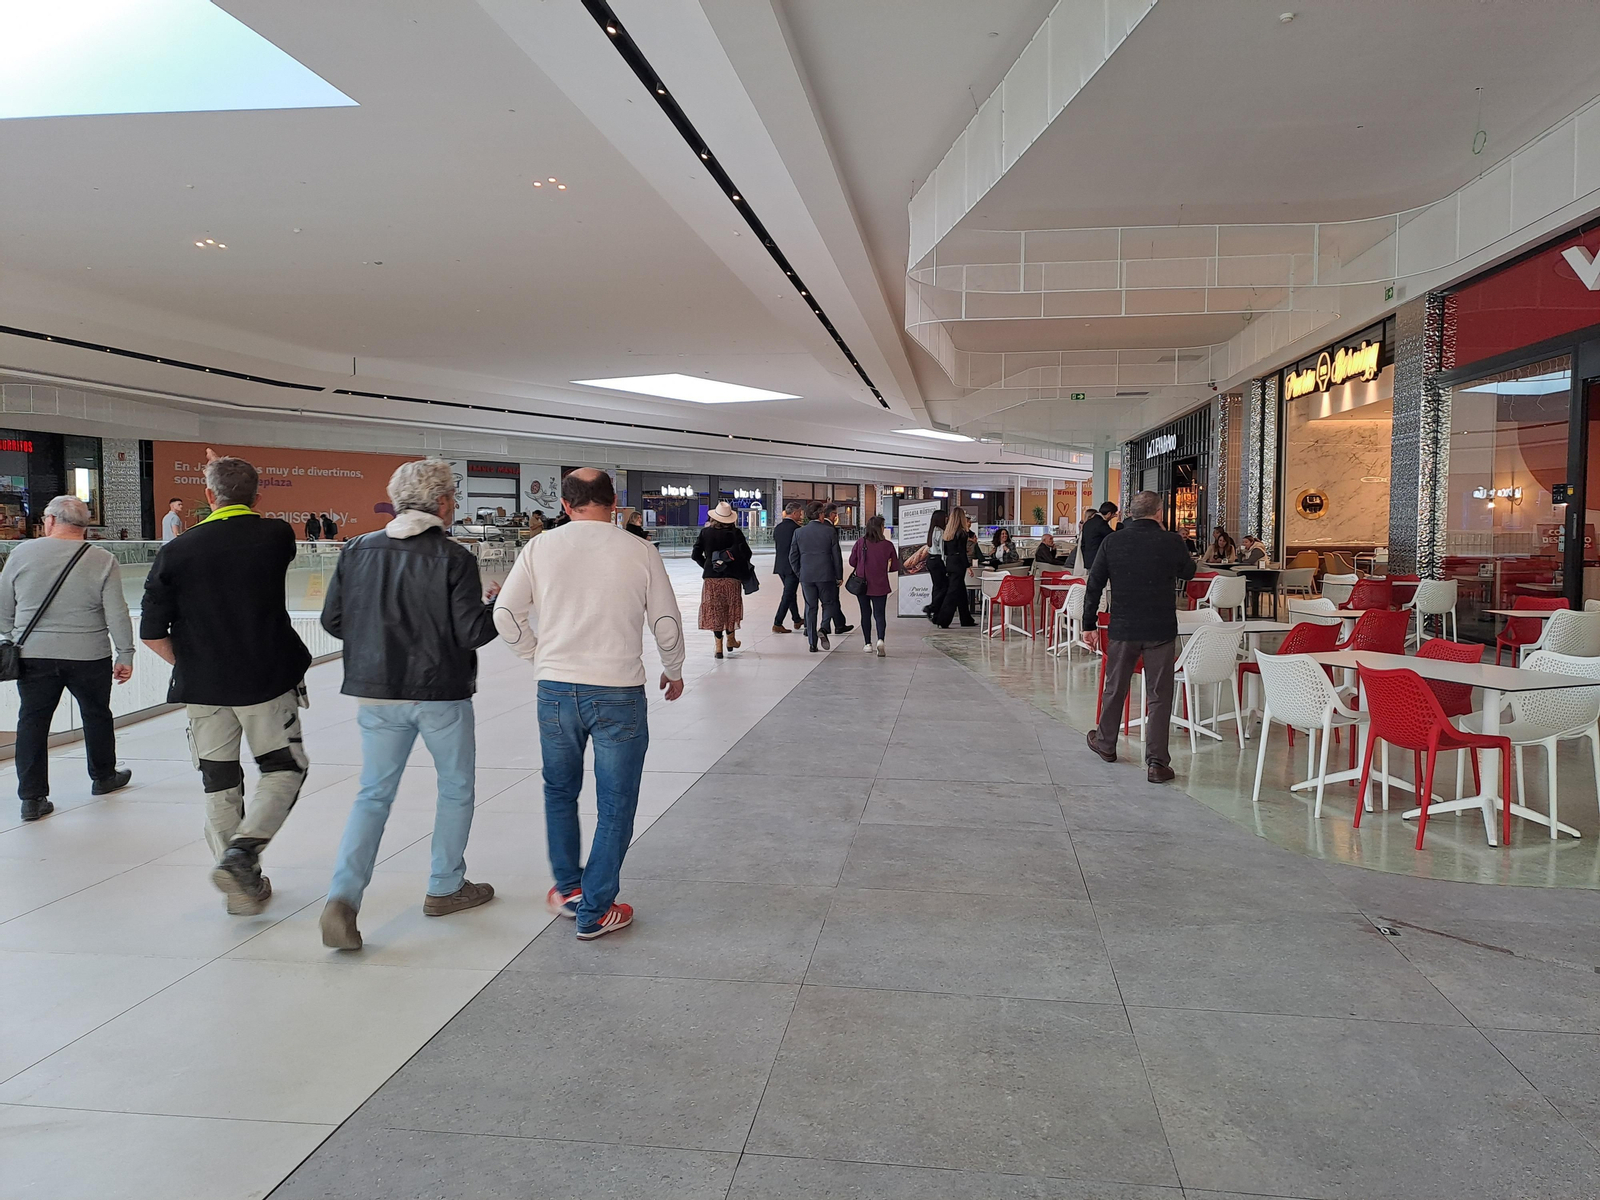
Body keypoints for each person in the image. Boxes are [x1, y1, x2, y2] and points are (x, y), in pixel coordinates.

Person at [316, 460, 501, 951]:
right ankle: (445, 885)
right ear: (441, 504)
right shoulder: (452, 557)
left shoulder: (356, 549)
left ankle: (343, 897)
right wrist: (495, 607)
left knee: (373, 794)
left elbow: (333, 620)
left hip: (376, 691)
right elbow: (472, 632)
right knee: (456, 787)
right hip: (440, 693)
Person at [494, 468, 685, 941]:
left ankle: (569, 890)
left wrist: (535, 654)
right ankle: (597, 909)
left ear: (565, 504)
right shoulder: (639, 550)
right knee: (616, 803)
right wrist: (674, 668)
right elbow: (665, 619)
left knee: (560, 790)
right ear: (613, 500)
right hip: (618, 690)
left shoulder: (539, 547)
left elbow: (505, 614)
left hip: (556, 689)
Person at [140, 455, 312, 915]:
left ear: (208, 497)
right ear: (258, 497)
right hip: (266, 683)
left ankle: (242, 884)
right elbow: (246, 518)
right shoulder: (275, 536)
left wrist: (198, 664)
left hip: (203, 689)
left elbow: (153, 632)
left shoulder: (175, 551)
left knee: (219, 782)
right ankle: (241, 855)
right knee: (283, 770)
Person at [0, 496, 134, 821]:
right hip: (90, 655)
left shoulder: (22, 553)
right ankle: (104, 777)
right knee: (96, 714)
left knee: (32, 722)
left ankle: (32, 799)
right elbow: (117, 612)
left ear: (48, 520)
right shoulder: (102, 559)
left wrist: (7, 638)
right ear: (85, 525)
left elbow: (4, 605)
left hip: (34, 655)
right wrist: (125, 652)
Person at [1082, 490, 1197, 784]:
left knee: (1115, 687)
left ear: (1130, 513)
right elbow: (1189, 572)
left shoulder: (1113, 541)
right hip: (1160, 628)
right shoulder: (1171, 541)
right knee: (1159, 695)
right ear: (1159, 513)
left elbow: (1094, 584)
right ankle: (1157, 762)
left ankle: (1106, 743)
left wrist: (1089, 623)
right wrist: (1172, 541)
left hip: (1124, 627)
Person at [691, 501, 753, 660]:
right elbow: (747, 554)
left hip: (712, 579)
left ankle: (718, 646)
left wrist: (708, 565)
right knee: (730, 609)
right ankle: (730, 640)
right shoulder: (736, 533)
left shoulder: (705, 533)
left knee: (715, 610)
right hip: (731, 578)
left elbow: (695, 554)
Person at [790, 501, 851, 651]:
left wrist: (800, 573)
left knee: (810, 608)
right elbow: (836, 556)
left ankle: (812, 643)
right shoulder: (829, 531)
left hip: (807, 576)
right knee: (828, 603)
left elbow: (793, 557)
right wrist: (839, 575)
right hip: (826, 575)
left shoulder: (799, 532)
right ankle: (823, 627)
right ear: (821, 514)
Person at [848, 515, 900, 656]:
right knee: (879, 614)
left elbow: (852, 562)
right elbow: (895, 566)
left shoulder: (860, 542)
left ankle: (867, 644)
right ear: (881, 528)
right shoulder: (888, 545)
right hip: (880, 584)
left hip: (862, 584)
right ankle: (881, 640)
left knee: (865, 614)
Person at [933, 508, 976, 627]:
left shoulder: (948, 533)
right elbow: (962, 552)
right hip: (958, 564)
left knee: (961, 592)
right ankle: (943, 620)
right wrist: (968, 567)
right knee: (952, 594)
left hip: (950, 562)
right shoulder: (962, 533)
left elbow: (946, 551)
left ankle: (966, 619)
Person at [770, 499, 804, 633]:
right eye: (800, 513)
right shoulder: (797, 530)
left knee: (790, 594)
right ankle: (777, 623)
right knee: (788, 595)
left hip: (780, 566)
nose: (801, 516)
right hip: (792, 566)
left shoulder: (778, 528)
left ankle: (796, 619)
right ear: (795, 513)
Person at [921, 508, 948, 620]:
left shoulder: (932, 530)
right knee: (945, 586)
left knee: (937, 587)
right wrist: (947, 566)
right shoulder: (940, 532)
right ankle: (932, 607)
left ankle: (935, 612)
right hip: (938, 561)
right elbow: (943, 552)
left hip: (930, 560)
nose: (947, 519)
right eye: (945, 517)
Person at [1078, 501, 1118, 572]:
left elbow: (1083, 543)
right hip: (1099, 560)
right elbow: (1114, 537)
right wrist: (1119, 523)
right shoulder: (1101, 524)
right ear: (1109, 514)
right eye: (1113, 515)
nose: (1113, 517)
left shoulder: (1088, 523)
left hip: (1088, 559)